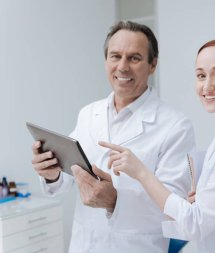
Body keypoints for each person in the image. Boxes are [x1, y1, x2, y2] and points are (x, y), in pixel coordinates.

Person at [100, 37, 215, 253]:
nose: (207, 86)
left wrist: (142, 173)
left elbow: (195, 223)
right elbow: (203, 214)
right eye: (201, 75)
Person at [31, 20, 195, 253]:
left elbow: (176, 209)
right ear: (106, 60)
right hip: (84, 245)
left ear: (153, 65)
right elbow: (66, 178)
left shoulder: (176, 126)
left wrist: (116, 201)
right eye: (115, 56)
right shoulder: (88, 113)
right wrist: (51, 173)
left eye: (134, 58)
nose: (122, 67)